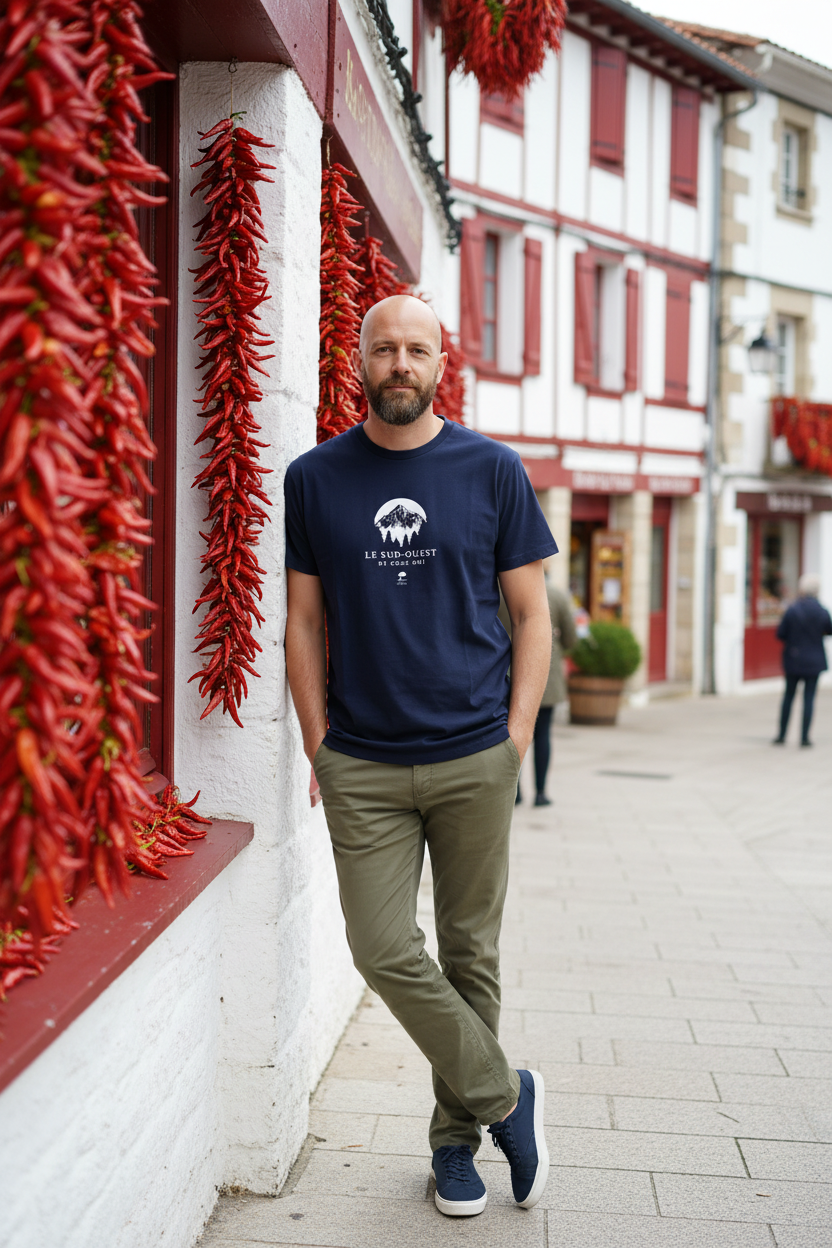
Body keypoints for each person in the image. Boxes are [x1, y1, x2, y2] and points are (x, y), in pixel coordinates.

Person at [284, 295, 557, 1218]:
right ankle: (506, 1095)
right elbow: (303, 622)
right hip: (360, 761)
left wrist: (516, 739)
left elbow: (531, 616)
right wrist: (318, 746)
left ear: (442, 363)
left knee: (469, 952)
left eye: (417, 350)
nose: (400, 363)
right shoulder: (315, 478)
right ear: (358, 359)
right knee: (382, 947)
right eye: (384, 349)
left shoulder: (492, 471)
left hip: (475, 753)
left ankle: (455, 1147)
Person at [499, 579, 577, 805]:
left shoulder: (498, 591)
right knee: (542, 734)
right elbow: (571, 639)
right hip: (546, 675)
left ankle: (516, 791)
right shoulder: (557, 596)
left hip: (505, 672)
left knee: (510, 732)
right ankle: (541, 792)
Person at [773, 573, 832, 747]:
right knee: (809, 698)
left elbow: (781, 633)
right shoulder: (822, 611)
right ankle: (805, 737)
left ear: (802, 590)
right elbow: (829, 631)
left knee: (789, 696)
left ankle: (782, 735)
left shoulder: (793, 609)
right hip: (814, 659)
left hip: (794, 657)